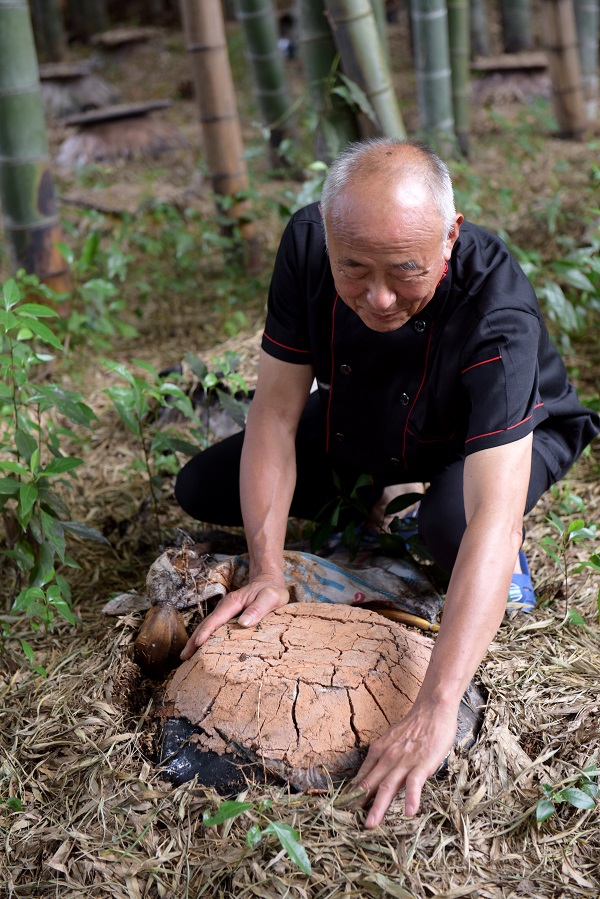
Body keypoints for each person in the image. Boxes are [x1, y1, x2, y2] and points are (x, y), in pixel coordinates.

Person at [175, 139, 599, 828]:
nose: (377, 296)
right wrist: (268, 568)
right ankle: (379, 495)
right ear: (327, 231)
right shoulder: (308, 243)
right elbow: (276, 411)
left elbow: (496, 513)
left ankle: (445, 530)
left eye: (405, 270)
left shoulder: (498, 305)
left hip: (491, 437)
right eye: (354, 269)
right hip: (370, 414)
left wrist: (434, 708)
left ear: (450, 237)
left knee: (454, 527)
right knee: (204, 486)